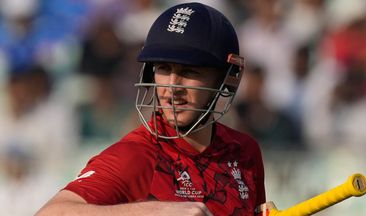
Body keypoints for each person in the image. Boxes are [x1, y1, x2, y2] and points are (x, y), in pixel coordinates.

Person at [36, 2, 265, 215]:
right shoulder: (136, 154)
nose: (172, 87)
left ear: (225, 79)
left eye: (190, 72)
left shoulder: (244, 152)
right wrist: (152, 211)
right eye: (164, 68)